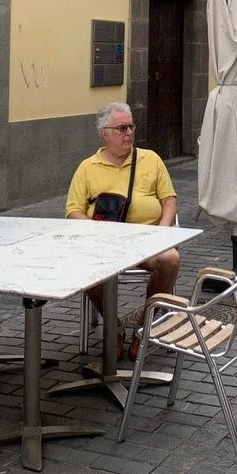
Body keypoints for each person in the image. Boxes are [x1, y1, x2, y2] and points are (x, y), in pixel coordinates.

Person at [65, 102, 180, 359]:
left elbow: (170, 201)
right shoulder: (87, 167)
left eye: (131, 126)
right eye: (121, 128)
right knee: (82, 265)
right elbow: (73, 211)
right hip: (104, 245)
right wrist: (98, 231)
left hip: (148, 241)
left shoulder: (151, 159)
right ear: (104, 134)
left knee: (171, 259)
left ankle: (145, 325)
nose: (129, 132)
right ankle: (113, 326)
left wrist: (162, 232)